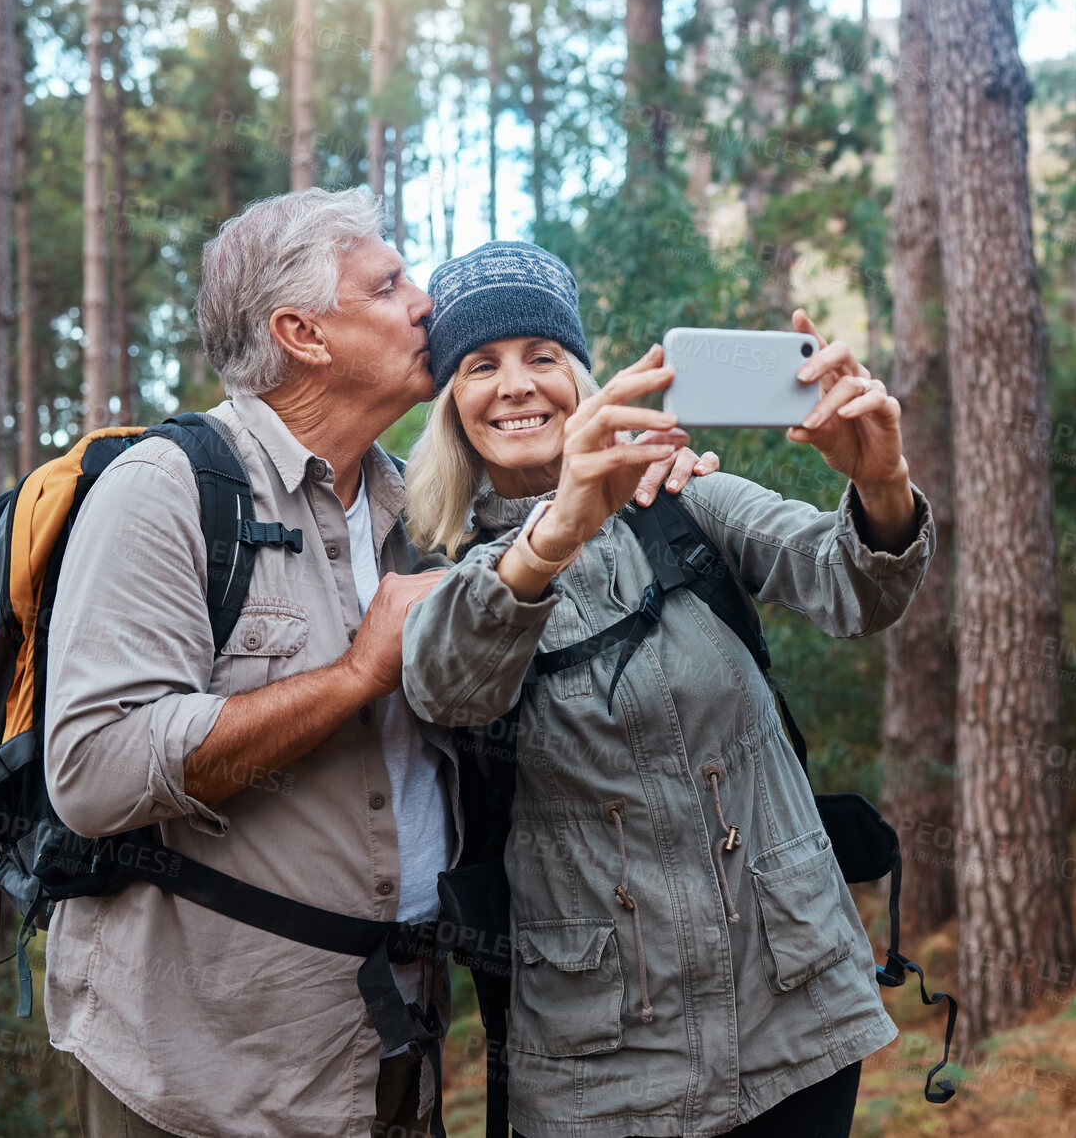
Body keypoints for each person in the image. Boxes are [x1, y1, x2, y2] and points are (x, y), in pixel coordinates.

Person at [41, 194, 709, 1138]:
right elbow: (94, 771)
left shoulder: (415, 516)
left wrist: (653, 481)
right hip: (208, 1075)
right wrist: (357, 674)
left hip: (394, 1044)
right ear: (301, 333)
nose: (427, 301)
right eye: (389, 284)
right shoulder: (164, 490)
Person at [400, 241, 936, 1138]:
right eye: (480, 365)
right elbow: (447, 685)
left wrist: (880, 482)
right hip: (603, 1057)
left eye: (542, 357)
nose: (515, 385)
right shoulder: (440, 563)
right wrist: (557, 527)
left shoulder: (682, 498)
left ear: (582, 377)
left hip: (792, 1007)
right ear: (451, 404)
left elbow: (853, 585)